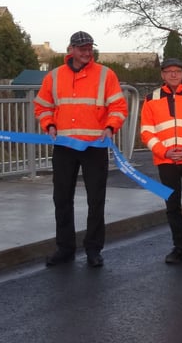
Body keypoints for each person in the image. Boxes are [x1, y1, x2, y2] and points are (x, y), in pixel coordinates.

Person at [33, 31, 127, 268]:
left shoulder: (106, 75)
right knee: (62, 199)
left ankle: (94, 249)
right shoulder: (54, 77)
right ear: (71, 50)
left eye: (89, 48)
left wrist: (110, 127)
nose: (87, 52)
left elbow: (118, 106)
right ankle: (65, 249)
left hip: (95, 145)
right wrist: (49, 124)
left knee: (96, 200)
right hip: (65, 146)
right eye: (82, 48)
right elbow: (42, 106)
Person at [140, 57, 182, 265]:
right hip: (166, 161)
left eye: (177, 71)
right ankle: (179, 248)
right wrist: (164, 152)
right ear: (162, 74)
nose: (173, 75)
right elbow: (146, 132)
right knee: (172, 206)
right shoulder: (151, 99)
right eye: (169, 71)